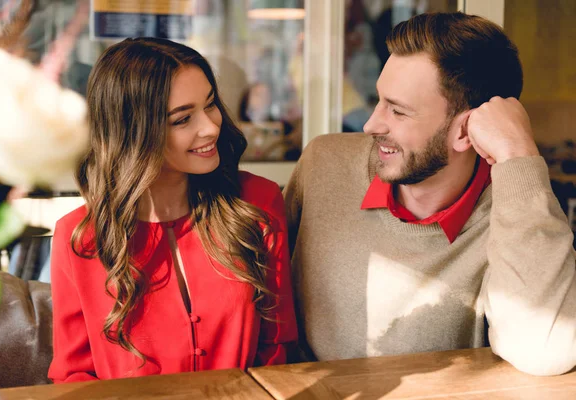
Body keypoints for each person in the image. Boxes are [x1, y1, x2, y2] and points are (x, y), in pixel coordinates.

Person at [284, 12, 576, 376]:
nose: (372, 124)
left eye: (398, 111)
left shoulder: (516, 213)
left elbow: (543, 350)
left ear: (466, 131)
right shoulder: (324, 163)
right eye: (379, 101)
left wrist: (518, 154)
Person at [48, 37, 297, 383]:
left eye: (210, 105)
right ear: (132, 133)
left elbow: (277, 349)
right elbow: (74, 375)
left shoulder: (258, 204)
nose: (211, 126)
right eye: (182, 119)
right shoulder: (80, 239)